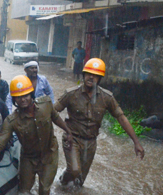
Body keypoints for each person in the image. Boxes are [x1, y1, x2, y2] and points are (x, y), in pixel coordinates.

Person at [54, 58, 145, 187]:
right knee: (74, 170)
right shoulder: (71, 94)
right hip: (72, 138)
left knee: (80, 182)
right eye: (89, 74)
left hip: (91, 142)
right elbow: (53, 112)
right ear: (84, 75)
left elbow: (121, 118)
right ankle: (62, 180)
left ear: (100, 79)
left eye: (96, 76)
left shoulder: (107, 97)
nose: (91, 77)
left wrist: (136, 142)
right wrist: (61, 130)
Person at [0, 75, 73, 195]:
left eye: (25, 96)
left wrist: (68, 132)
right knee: (24, 192)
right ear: (14, 100)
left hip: (49, 154)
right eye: (18, 97)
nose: (23, 100)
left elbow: (55, 117)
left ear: (31, 95)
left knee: (44, 192)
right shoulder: (12, 121)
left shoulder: (46, 103)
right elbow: (0, 145)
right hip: (29, 158)